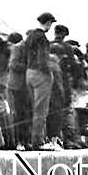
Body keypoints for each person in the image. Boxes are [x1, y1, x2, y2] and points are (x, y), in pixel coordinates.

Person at [24, 12, 55, 149]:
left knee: (32, 108)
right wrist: (49, 73)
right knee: (41, 110)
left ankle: (29, 140)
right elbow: (43, 59)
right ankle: (38, 141)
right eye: (50, 23)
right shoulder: (42, 38)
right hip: (40, 75)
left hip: (29, 73)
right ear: (48, 23)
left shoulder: (30, 36)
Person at [5, 32, 30, 149]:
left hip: (26, 85)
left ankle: (26, 141)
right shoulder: (18, 48)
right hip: (16, 86)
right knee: (18, 114)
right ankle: (18, 141)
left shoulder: (31, 48)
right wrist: (30, 67)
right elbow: (13, 64)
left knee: (26, 114)